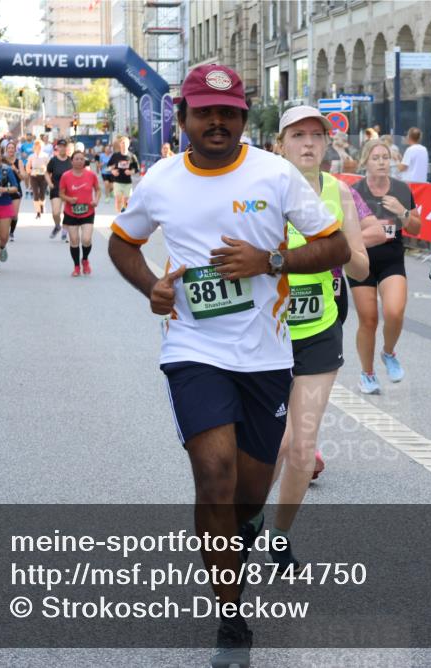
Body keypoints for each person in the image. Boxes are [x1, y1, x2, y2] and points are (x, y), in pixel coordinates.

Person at [107, 64, 349, 668]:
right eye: (204, 112)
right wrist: (151, 291)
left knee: (244, 494)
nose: (217, 122)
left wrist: (271, 259)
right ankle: (231, 615)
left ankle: (247, 525)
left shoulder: (276, 174)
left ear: (244, 117)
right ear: (184, 117)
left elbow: (336, 246)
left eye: (229, 113)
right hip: (193, 350)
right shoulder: (161, 179)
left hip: (266, 356)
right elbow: (122, 241)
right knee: (213, 478)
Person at [263, 105, 370, 571]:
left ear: (327, 144)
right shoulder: (261, 191)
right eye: (297, 135)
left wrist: (336, 251)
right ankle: (246, 521)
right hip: (266, 330)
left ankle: (280, 536)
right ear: (280, 144)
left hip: (319, 328)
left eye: (316, 136)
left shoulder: (339, 194)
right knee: (273, 444)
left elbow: (362, 267)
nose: (308, 143)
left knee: (301, 444)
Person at [349, 138, 421, 394]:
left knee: (394, 311)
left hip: (392, 258)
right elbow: (346, 229)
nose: (381, 162)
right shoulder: (354, 191)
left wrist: (402, 211)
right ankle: (367, 374)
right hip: (362, 262)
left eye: (385, 157)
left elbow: (416, 228)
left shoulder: (401, 189)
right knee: (368, 320)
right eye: (376, 157)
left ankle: (388, 353)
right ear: (365, 162)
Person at [59, 149, 100, 276]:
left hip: (88, 212)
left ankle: (85, 260)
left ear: (84, 161)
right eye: (76, 158)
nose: (79, 161)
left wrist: (96, 200)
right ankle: (76, 266)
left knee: (86, 239)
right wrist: (69, 199)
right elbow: (61, 194)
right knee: (74, 240)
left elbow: (98, 190)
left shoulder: (91, 175)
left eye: (82, 159)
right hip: (71, 213)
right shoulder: (66, 176)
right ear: (72, 161)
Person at [46, 139, 73, 241]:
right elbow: (47, 173)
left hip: (69, 190)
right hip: (56, 188)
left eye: (64, 146)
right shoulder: (53, 160)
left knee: (68, 212)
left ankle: (65, 231)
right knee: (56, 212)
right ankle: (57, 226)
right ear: (57, 148)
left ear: (66, 148)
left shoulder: (71, 160)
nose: (62, 148)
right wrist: (49, 183)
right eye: (60, 146)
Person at [107, 135, 139, 212]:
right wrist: (112, 171)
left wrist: (131, 172)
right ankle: (120, 216)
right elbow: (108, 167)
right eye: (122, 143)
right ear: (120, 144)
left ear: (128, 144)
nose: (124, 145)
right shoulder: (115, 156)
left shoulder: (132, 156)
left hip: (127, 182)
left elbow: (137, 169)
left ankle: (125, 215)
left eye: (125, 143)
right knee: (118, 200)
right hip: (117, 181)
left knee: (126, 201)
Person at [3, 141, 27, 241]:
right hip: (4, 189)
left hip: (16, 189)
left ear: (15, 150)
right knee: (4, 214)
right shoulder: (2, 161)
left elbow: (23, 177)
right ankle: (4, 231)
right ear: (6, 150)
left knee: (14, 214)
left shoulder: (19, 162)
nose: (11, 150)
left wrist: (15, 169)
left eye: (13, 148)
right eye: (9, 148)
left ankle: (11, 232)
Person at [26, 138, 50, 219]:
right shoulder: (31, 156)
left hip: (43, 177)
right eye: (37, 146)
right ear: (34, 147)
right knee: (36, 194)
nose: (39, 148)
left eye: (40, 146)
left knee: (42, 194)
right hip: (34, 177)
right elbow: (28, 167)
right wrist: (30, 172)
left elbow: (49, 167)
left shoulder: (46, 156)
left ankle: (42, 205)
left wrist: (46, 171)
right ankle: (38, 211)